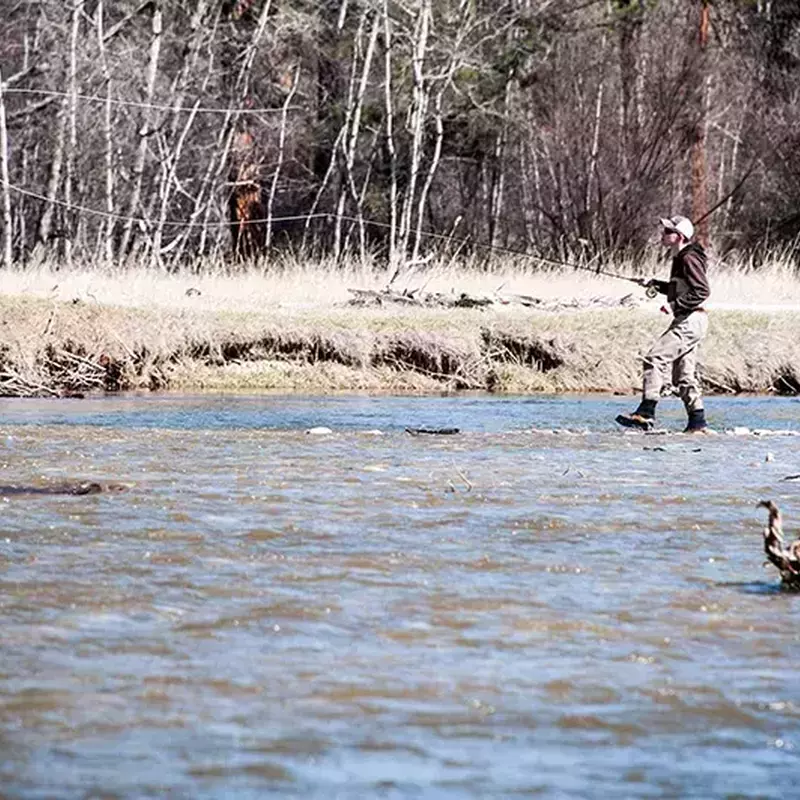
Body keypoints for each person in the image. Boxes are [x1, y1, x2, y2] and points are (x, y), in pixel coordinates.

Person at [616, 214, 710, 433]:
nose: (663, 234)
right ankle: (698, 423)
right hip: (693, 319)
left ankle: (646, 412)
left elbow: (702, 290)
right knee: (684, 376)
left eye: (668, 231)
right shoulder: (681, 258)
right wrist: (655, 285)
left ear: (679, 237)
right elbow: (681, 287)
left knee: (654, 358)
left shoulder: (688, 259)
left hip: (690, 319)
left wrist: (675, 304)